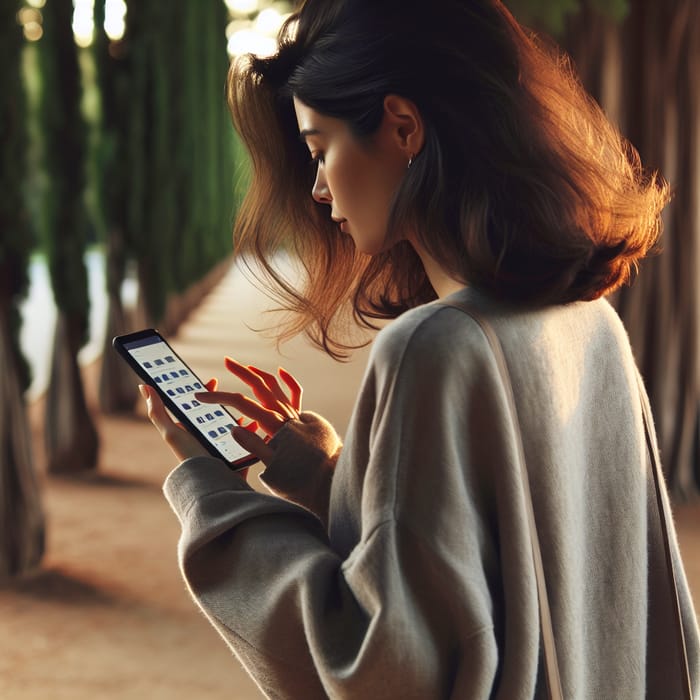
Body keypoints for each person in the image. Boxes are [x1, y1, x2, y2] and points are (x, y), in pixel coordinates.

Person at [141, 0, 700, 697]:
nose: (317, 188)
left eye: (321, 150)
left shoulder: (433, 348)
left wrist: (212, 493)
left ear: (403, 127)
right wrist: (325, 475)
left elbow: (376, 665)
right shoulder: (590, 322)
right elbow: (515, 571)